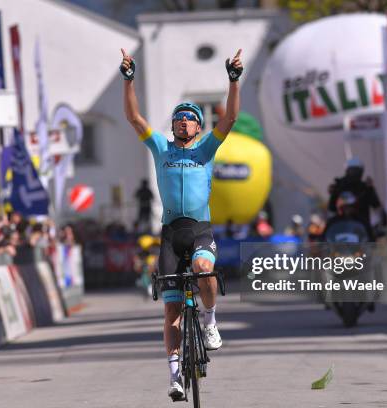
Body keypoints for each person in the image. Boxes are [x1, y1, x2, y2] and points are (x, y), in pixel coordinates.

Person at [121, 47, 243, 400]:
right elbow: (134, 118)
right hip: (171, 234)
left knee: (205, 269)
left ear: (198, 126)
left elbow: (231, 119)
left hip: (200, 228)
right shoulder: (161, 148)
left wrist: (233, 81)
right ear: (173, 125)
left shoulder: (205, 150)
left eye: (190, 118)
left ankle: (210, 322)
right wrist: (128, 79)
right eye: (179, 118)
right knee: (172, 308)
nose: (184, 121)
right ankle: (175, 375)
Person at [328, 157, 381, 226]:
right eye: (352, 170)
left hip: (361, 228)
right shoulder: (339, 186)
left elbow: (376, 206)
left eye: (356, 170)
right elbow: (331, 208)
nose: (354, 173)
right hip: (342, 226)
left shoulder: (366, 187)